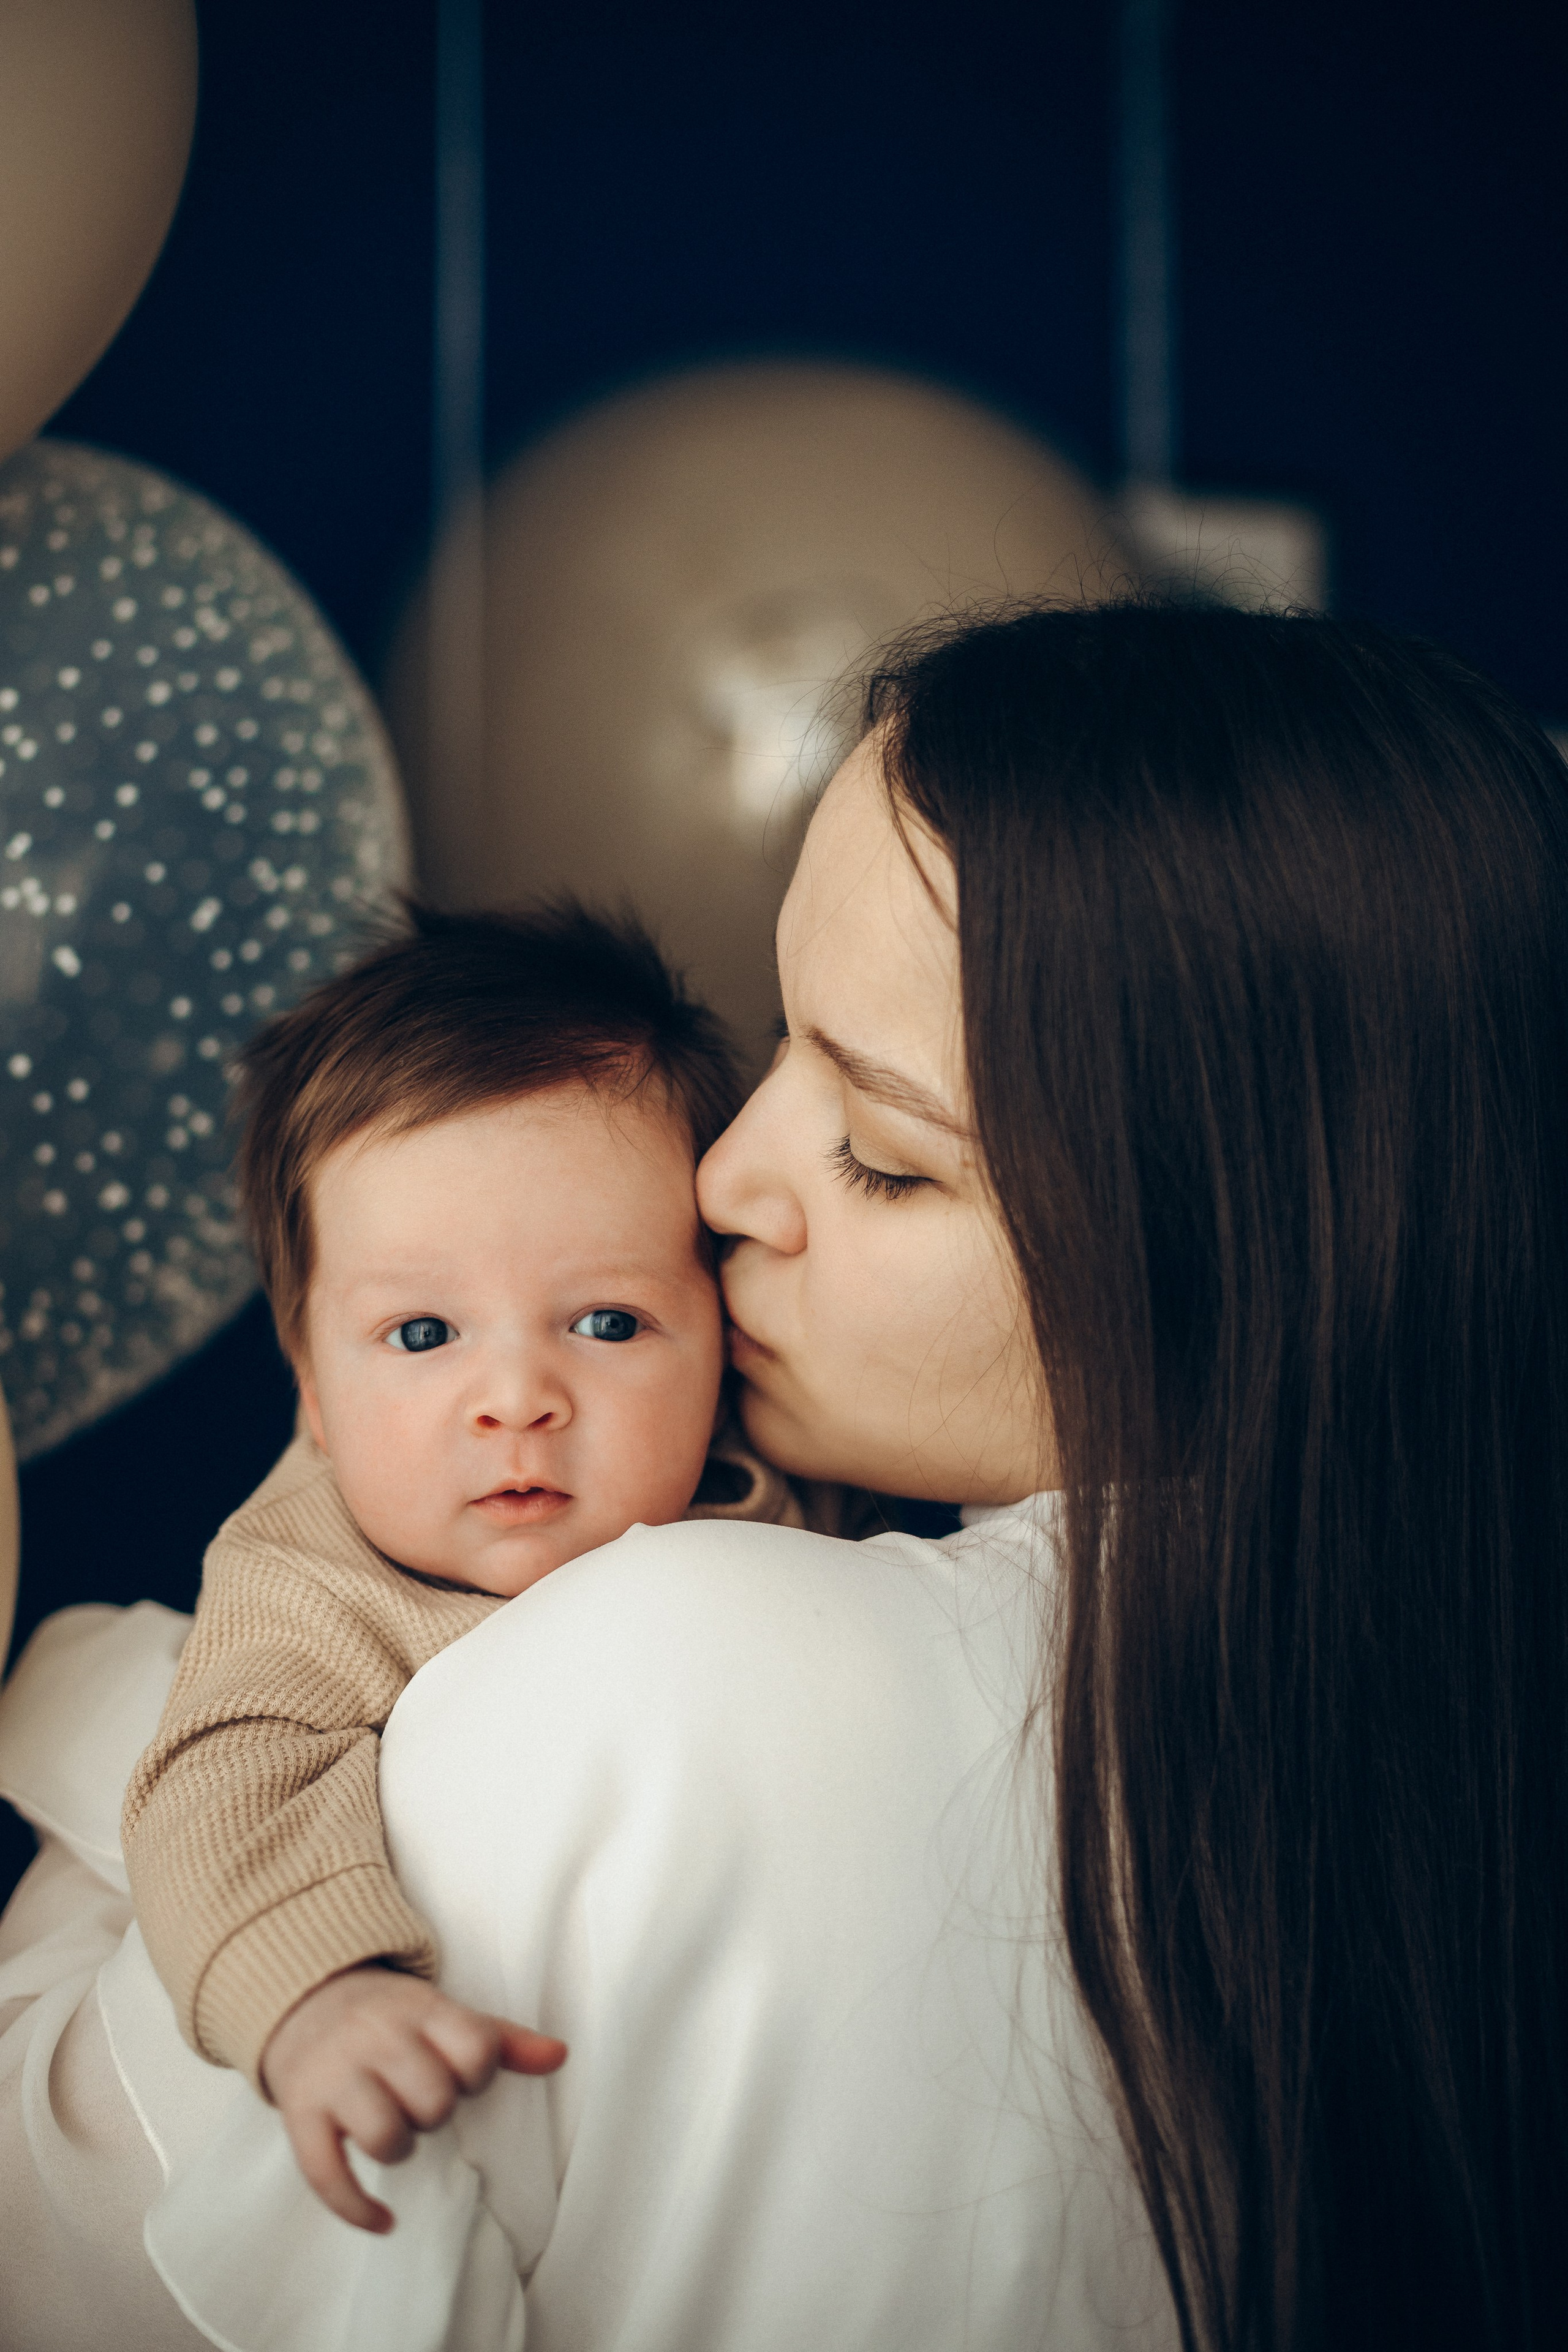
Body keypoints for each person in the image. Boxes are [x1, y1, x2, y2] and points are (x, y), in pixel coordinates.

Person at [0, 598, 1561, 2352]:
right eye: (782, 1042)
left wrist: (87, 1769)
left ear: (1234, 1258)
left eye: (886, 1158)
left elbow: (63, 2243)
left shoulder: (659, 1675)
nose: (725, 1178)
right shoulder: (1449, 1781)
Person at [121, 901, 827, 2231]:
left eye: (608, 1321)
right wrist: (319, 1998)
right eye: (423, 1331)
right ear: (313, 1392)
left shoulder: (772, 1487)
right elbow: (223, 1782)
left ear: (720, 1331)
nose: (514, 1397)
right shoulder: (318, 1572)